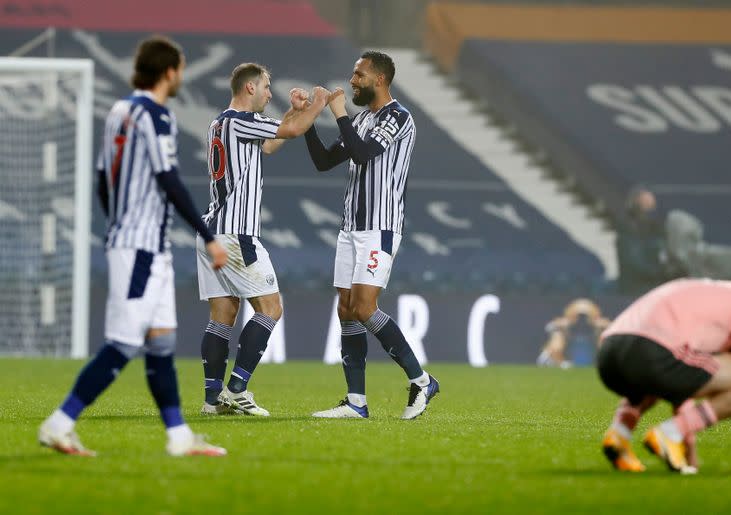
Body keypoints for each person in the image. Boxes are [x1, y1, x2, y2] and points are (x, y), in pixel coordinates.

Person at [38, 36, 228, 456]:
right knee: (123, 344)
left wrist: (118, 222)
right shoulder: (157, 115)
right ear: (169, 72)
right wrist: (208, 236)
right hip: (140, 249)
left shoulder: (119, 111)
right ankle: (59, 422)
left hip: (142, 246)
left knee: (161, 344)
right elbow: (168, 178)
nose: (181, 75)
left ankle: (178, 438)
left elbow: (103, 178)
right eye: (180, 68)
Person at [304, 51, 439, 419]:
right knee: (347, 310)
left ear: (379, 79)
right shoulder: (362, 119)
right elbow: (323, 161)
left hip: (380, 226)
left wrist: (339, 112)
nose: (352, 81)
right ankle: (356, 402)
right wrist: (310, 120)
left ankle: (422, 380)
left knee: (364, 307)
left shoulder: (398, 117)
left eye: (359, 75)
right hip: (351, 228)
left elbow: (362, 154)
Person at [197, 63, 331, 416]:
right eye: (267, 87)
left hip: (212, 231)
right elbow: (292, 130)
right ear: (250, 88)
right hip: (236, 233)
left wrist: (294, 111)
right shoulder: (241, 120)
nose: (270, 93)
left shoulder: (221, 122)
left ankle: (213, 400)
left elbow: (271, 144)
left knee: (223, 314)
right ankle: (237, 389)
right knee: (271, 309)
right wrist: (320, 101)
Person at [596, 278, 731, 474]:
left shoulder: (708, 294)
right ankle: (669, 433)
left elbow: (681, 385)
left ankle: (620, 434)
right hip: (654, 353)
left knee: (664, 374)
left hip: (609, 355)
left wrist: (688, 448)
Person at [615, 187, 678, 295]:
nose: (650, 211)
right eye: (646, 205)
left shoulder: (657, 229)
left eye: (652, 206)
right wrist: (661, 271)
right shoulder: (627, 231)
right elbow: (637, 264)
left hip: (656, 287)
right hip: (635, 290)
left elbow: (665, 253)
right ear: (636, 205)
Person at [536, 298, 609, 368]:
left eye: (585, 317)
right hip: (560, 364)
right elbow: (556, 349)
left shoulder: (603, 328)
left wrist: (605, 331)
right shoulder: (560, 327)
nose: (581, 322)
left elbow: (607, 352)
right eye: (578, 317)